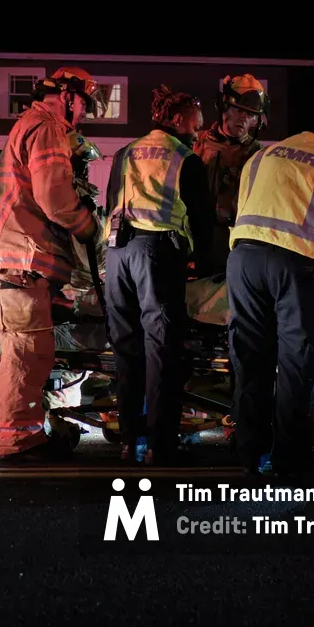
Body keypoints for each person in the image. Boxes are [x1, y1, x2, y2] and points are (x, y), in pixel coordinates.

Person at [227, 114, 314, 478]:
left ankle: (250, 454)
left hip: (242, 261)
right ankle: (291, 461)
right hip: (296, 269)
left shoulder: (264, 155)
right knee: (296, 362)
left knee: (251, 359)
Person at [0, 67, 103, 460]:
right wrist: (89, 227)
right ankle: (19, 440)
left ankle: (25, 435)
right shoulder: (46, 127)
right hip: (21, 260)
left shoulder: (32, 125)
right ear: (67, 95)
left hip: (21, 261)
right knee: (27, 352)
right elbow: (55, 198)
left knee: (32, 351)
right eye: (82, 103)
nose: (81, 113)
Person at [103, 85, 214, 465]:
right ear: (178, 120)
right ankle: (159, 444)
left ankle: (129, 441)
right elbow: (202, 221)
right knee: (161, 350)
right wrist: (205, 262)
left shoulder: (125, 152)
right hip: (157, 253)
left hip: (117, 253)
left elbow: (109, 202)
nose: (198, 133)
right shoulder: (185, 158)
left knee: (126, 348)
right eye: (196, 126)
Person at [191, 74, 269, 274]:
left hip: (233, 242)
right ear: (224, 108)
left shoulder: (257, 153)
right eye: (239, 110)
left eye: (251, 114)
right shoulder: (196, 143)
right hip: (194, 237)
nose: (244, 118)